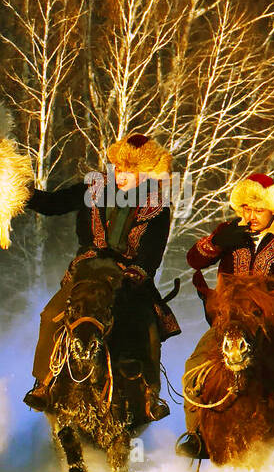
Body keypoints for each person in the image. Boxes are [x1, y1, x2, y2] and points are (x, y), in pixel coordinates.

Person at [21, 133, 179, 424]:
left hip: (130, 278)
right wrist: (23, 193)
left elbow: (150, 255)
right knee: (50, 315)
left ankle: (149, 395)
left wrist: (134, 275)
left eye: (129, 170)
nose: (121, 175)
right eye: (118, 167)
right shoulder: (92, 188)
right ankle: (43, 385)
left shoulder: (157, 208)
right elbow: (53, 204)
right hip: (88, 271)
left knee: (149, 329)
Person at [176, 172, 274, 459]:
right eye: (246, 208)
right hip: (230, 320)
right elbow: (194, 260)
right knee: (195, 364)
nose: (251, 215)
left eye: (258, 209)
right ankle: (195, 434)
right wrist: (218, 240)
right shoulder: (229, 232)